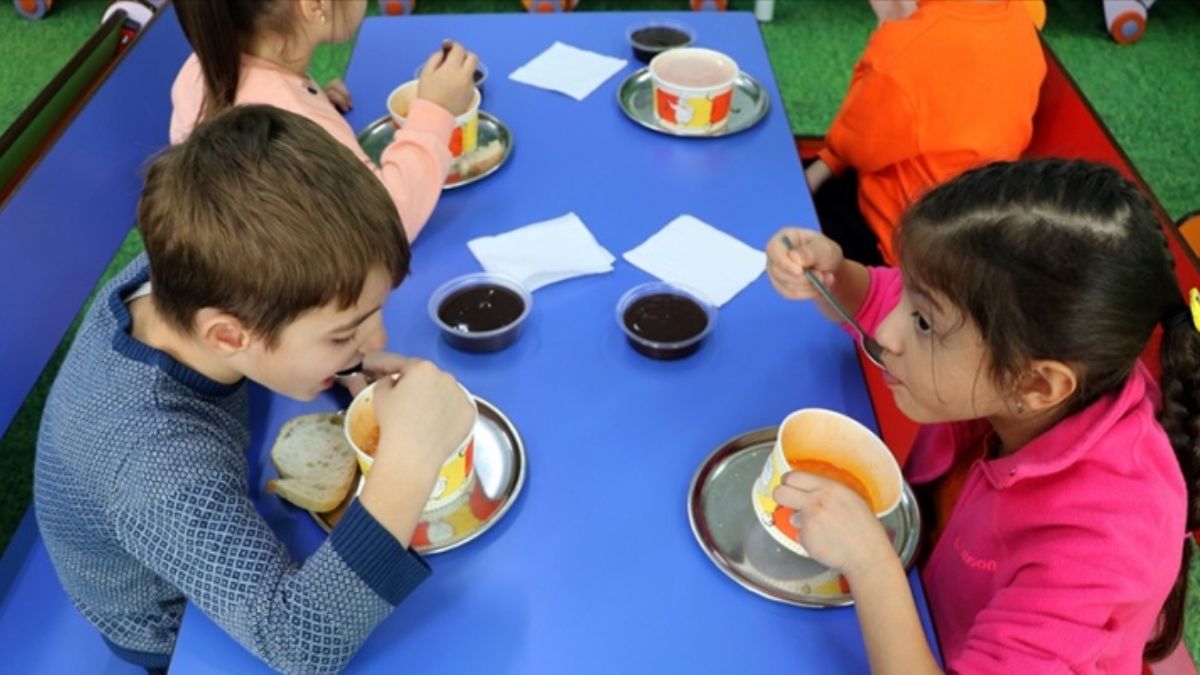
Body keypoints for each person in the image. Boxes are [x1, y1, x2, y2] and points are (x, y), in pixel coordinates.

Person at [34, 105, 475, 673]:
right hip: (173, 625)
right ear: (227, 336)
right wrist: (410, 461)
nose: (379, 340)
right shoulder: (155, 468)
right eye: (345, 332)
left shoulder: (191, 269)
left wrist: (342, 362)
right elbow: (299, 647)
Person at [765, 158, 1198, 672]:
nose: (887, 333)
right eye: (912, 299)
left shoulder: (1100, 545)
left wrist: (870, 563)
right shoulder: (1050, 373)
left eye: (922, 322)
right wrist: (838, 279)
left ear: (1036, 384)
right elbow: (897, 299)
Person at [170, 0, 478, 242]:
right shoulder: (291, 121)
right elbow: (388, 225)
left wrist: (314, 99)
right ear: (315, 5)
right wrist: (435, 110)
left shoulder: (203, 65)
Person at [809, 0, 1045, 265]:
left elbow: (854, 148)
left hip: (895, 242)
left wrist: (888, 25)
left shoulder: (906, 48)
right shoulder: (1018, 16)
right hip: (967, 237)